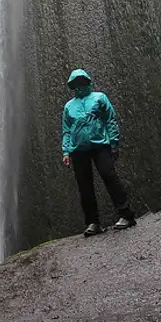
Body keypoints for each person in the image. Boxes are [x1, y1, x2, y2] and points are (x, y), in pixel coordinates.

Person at [62, 68, 136, 237]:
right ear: (72, 85)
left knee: (110, 177)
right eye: (76, 82)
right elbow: (66, 130)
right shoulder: (69, 106)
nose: (79, 85)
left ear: (87, 81)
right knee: (84, 187)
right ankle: (92, 223)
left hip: (100, 145)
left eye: (82, 81)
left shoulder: (99, 97)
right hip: (77, 150)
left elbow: (110, 119)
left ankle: (126, 215)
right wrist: (65, 151)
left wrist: (114, 143)